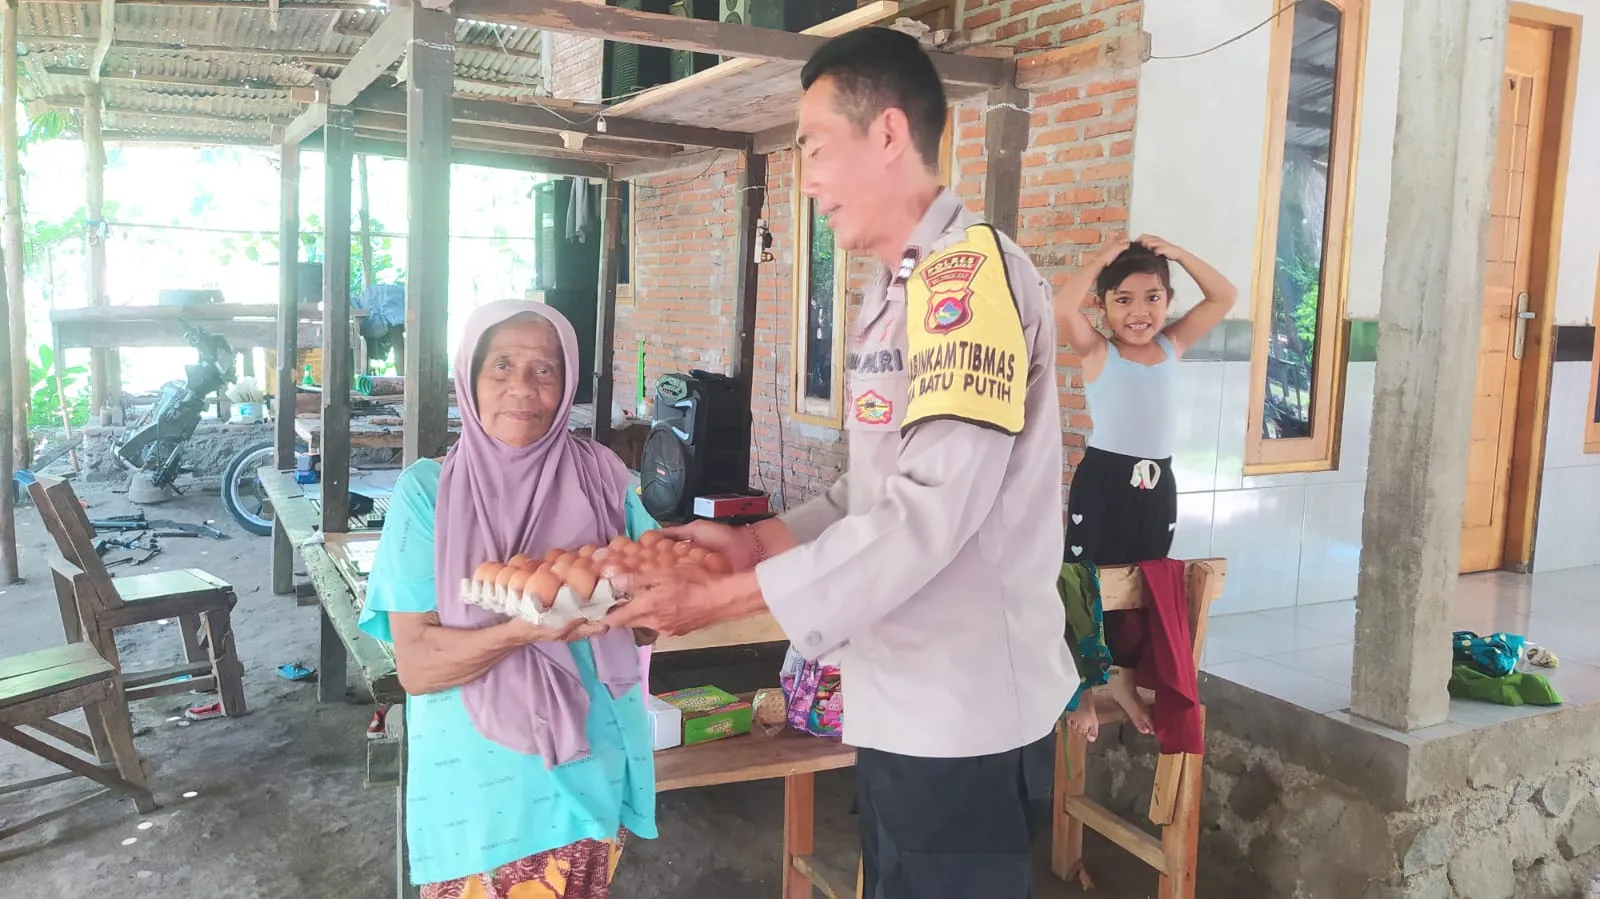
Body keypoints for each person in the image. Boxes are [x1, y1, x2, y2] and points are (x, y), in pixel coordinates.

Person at [605, 27, 1076, 899]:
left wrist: (728, 598)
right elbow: (876, 481)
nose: (808, 177)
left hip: (963, 714)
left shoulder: (967, 283)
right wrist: (759, 541)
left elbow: (930, 508)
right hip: (901, 698)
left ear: (888, 132)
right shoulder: (893, 290)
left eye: (816, 147)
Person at [357, 300, 657, 899]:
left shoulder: (603, 476)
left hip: (592, 765)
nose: (523, 387)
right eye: (501, 366)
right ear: (469, 378)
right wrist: (526, 629)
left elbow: (650, 621)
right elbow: (418, 667)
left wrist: (636, 595)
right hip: (482, 791)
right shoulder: (427, 494)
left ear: (566, 384)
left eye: (545, 369)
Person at [1053, 236, 1236, 742]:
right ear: (1104, 306)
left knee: (1145, 580)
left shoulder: (1171, 345)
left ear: (1168, 300)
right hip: (1104, 482)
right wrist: (1098, 259)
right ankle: (1082, 689)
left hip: (1157, 484)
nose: (1140, 311)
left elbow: (1224, 296)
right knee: (1085, 578)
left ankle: (1125, 681)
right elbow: (1062, 307)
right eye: (1124, 299)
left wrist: (1179, 252)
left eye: (1153, 297)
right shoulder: (1098, 351)